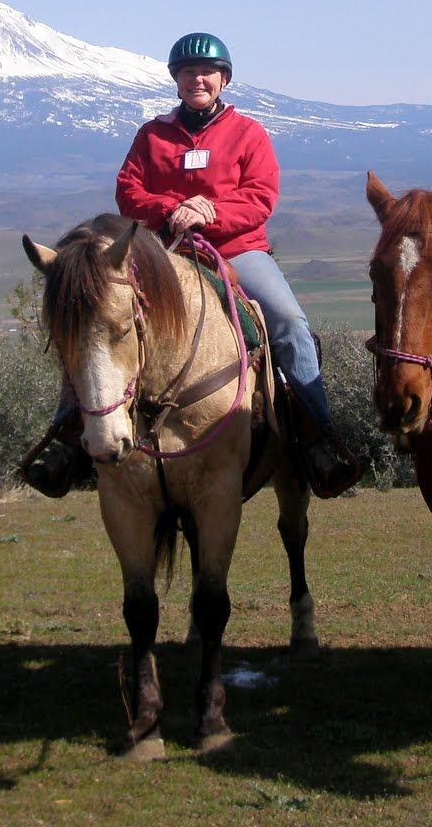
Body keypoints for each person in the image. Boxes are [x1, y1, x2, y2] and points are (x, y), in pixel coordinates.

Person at [21, 33, 360, 498]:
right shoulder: (152, 134)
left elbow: (261, 196)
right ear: (176, 81)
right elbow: (129, 192)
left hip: (238, 250)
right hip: (162, 254)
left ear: (224, 79)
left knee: (289, 322)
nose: (197, 79)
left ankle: (318, 441)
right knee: (97, 321)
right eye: (187, 72)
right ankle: (65, 441)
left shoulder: (249, 133)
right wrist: (173, 208)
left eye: (206, 72)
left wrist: (211, 212)